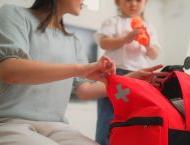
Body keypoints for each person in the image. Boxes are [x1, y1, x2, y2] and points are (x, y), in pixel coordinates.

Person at [0, 0, 169, 145]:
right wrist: (82, 69)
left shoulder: (74, 42)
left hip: (57, 126)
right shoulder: (13, 14)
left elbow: (85, 91)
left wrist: (130, 79)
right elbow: (9, 70)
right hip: (9, 122)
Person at [95, 0, 161, 145]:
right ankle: (103, 141)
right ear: (118, 2)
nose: (133, 4)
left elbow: (154, 54)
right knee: (108, 114)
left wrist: (148, 44)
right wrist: (126, 38)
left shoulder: (149, 27)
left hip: (140, 76)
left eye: (138, 0)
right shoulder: (113, 21)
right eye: (127, 0)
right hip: (116, 73)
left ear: (146, 2)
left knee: (134, 115)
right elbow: (103, 42)